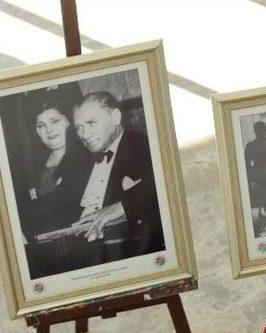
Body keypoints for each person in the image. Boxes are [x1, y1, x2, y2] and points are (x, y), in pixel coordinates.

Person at [71, 91, 164, 256]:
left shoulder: (142, 145)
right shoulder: (80, 160)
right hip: (82, 252)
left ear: (115, 117)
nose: (84, 135)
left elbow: (163, 182)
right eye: (79, 128)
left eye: (91, 122)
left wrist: (121, 206)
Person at [22, 95, 92, 240]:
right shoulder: (31, 167)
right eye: (40, 125)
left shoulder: (88, 156)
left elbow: (71, 209)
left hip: (77, 240)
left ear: (68, 122)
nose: (49, 130)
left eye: (55, 121)